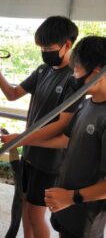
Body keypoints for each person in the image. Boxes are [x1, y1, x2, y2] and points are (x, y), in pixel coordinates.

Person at [0, 16, 80, 238]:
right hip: (30, 154)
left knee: (37, 215)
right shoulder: (42, 71)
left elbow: (61, 126)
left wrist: (20, 139)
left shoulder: (73, 79)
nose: (44, 53)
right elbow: (12, 94)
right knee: (26, 210)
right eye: (41, 48)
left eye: (48, 48)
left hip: (50, 162)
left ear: (68, 44)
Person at [30, 36, 106, 238]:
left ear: (96, 74)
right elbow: (67, 141)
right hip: (67, 209)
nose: (73, 76)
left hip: (85, 216)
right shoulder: (87, 104)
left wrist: (72, 197)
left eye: (76, 70)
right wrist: (23, 139)